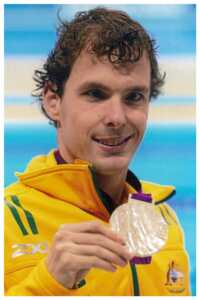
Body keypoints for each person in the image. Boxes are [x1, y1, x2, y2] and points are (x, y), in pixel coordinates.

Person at [4, 7, 191, 296]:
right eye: (95, 94)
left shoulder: (163, 218)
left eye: (134, 97)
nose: (117, 117)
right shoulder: (7, 221)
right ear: (53, 100)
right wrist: (48, 284)